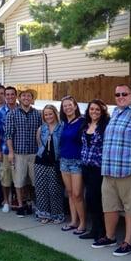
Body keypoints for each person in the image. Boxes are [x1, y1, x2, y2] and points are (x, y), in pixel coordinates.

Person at [92, 84, 131, 256]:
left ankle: (128, 243)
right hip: (108, 170)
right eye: (117, 94)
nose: (120, 96)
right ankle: (110, 236)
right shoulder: (115, 111)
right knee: (109, 206)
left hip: (128, 170)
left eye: (124, 94)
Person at [5, 88, 41, 216]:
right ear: (19, 98)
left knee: (35, 181)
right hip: (18, 153)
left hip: (34, 153)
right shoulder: (12, 114)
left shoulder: (37, 114)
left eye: (29, 96)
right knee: (19, 181)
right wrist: (10, 152)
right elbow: (8, 135)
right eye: (24, 96)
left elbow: (40, 134)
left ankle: (34, 205)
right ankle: (21, 206)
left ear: (32, 99)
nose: (26, 98)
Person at [79, 99, 110, 241]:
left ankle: (102, 231)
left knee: (97, 200)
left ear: (102, 112)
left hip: (98, 169)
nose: (94, 112)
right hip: (86, 166)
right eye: (92, 109)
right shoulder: (86, 125)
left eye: (98, 109)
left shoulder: (105, 127)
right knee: (90, 199)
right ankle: (94, 229)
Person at [58, 96, 86, 234]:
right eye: (65, 106)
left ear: (75, 106)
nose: (67, 108)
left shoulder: (82, 122)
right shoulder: (64, 123)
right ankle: (73, 221)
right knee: (69, 193)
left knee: (77, 194)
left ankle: (83, 223)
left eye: (70, 105)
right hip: (64, 161)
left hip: (77, 162)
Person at [34, 105, 65, 224]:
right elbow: (39, 144)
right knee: (41, 189)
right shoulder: (41, 129)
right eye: (46, 114)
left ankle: (57, 214)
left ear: (55, 113)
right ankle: (43, 213)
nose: (48, 116)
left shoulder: (62, 127)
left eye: (50, 114)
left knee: (55, 190)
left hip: (55, 163)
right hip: (41, 162)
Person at [0, 86, 18, 213]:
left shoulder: (22, 110)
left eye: (12, 94)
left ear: (16, 96)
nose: (9, 97)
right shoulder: (0, 113)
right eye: (7, 94)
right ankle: (6, 202)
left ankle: (21, 202)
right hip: (5, 150)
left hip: (20, 151)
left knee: (20, 178)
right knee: (5, 177)